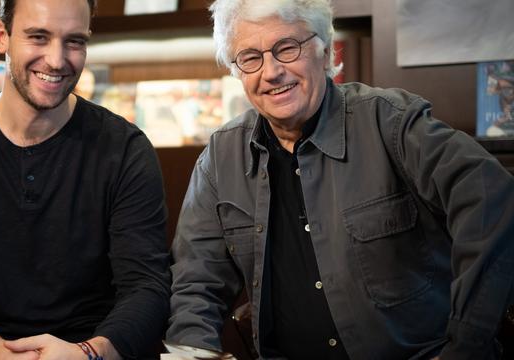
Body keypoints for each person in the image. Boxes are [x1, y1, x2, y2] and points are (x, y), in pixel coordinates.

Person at [166, 0, 514, 359]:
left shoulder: (393, 124)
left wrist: (466, 346)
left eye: (287, 48)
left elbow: (494, 200)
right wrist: (194, 353)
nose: (270, 72)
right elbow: (196, 283)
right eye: (250, 57)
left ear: (326, 50)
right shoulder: (220, 159)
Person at [0, 0, 171, 359]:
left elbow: (147, 288)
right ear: (0, 36)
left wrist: (88, 352)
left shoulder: (126, 150)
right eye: (38, 37)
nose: (57, 60)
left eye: (74, 41)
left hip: (84, 347)